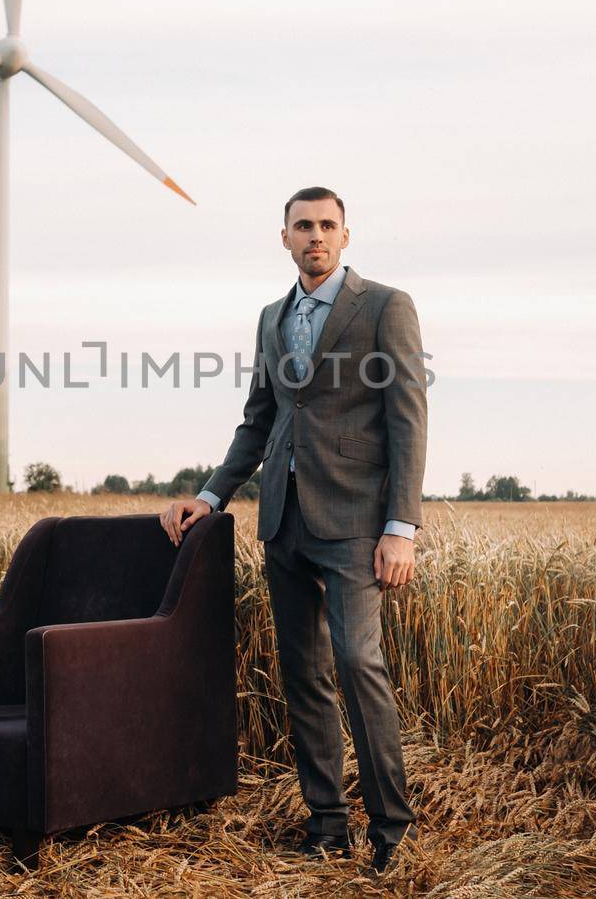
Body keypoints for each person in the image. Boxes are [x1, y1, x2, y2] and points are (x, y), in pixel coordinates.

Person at [159, 186, 427, 875]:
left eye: (327, 225)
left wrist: (401, 526)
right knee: (303, 674)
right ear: (283, 237)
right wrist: (211, 494)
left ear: (345, 235)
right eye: (303, 225)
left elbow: (407, 418)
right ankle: (327, 822)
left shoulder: (385, 307)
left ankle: (391, 829)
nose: (316, 235)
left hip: (355, 525)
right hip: (283, 520)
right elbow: (260, 419)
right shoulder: (271, 319)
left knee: (359, 663)